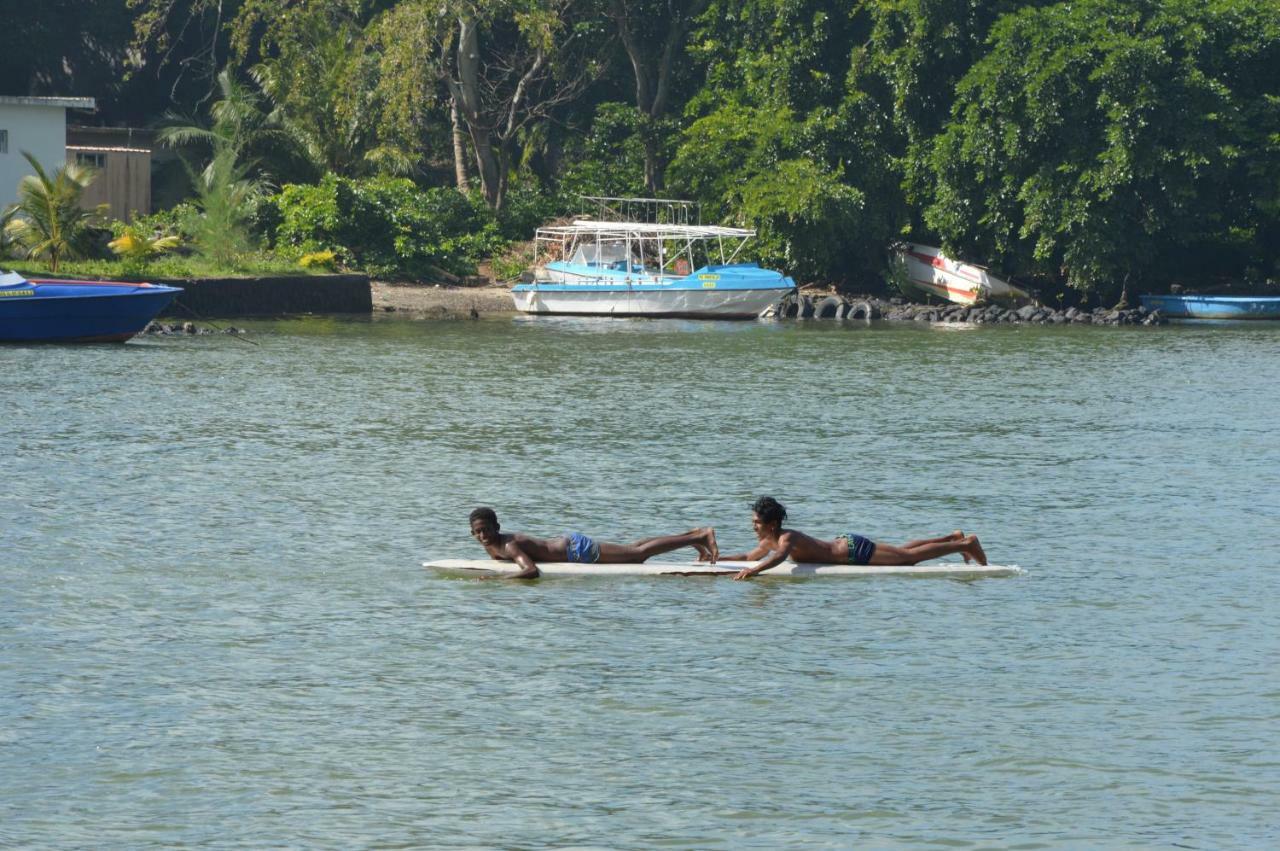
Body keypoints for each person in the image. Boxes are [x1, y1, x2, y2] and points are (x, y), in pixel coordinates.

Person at [722, 496, 987, 580]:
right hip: (847, 544)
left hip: (852, 551)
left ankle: (966, 544)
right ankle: (952, 537)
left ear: (772, 524)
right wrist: (714, 559)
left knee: (907, 559)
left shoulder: (786, 538)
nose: (753, 526)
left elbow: (778, 558)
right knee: (902, 551)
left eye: (757, 523)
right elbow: (748, 556)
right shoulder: (770, 539)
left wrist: (754, 572)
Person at [468, 507, 719, 579]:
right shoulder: (491, 544)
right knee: (634, 548)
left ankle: (700, 536)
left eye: (486, 530)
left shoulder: (509, 545)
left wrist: (497, 580)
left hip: (576, 551)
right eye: (477, 533)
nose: (483, 536)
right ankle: (691, 536)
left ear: (497, 528)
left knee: (638, 554)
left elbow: (531, 571)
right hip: (569, 545)